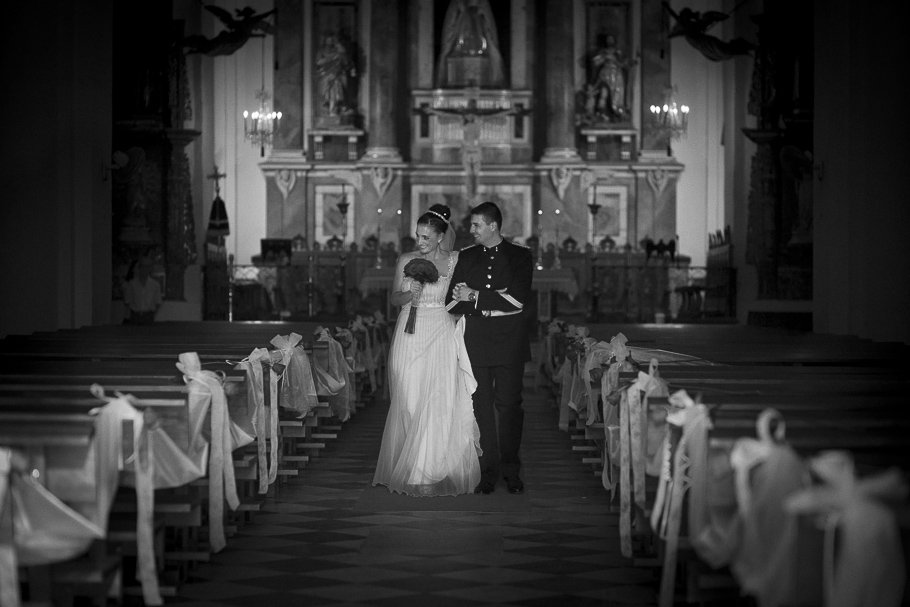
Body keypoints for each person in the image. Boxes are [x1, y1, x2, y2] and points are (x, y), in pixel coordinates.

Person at [373, 204, 481, 496]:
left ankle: (430, 468)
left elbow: (463, 296)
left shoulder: (456, 260)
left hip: (441, 331)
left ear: (441, 236)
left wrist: (460, 309)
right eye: (418, 236)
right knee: (409, 397)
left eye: (425, 237)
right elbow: (394, 299)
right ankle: (410, 462)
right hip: (410, 333)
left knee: (438, 399)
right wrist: (411, 293)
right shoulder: (406, 259)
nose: (419, 242)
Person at [446, 202, 533, 494]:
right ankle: (488, 470)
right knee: (481, 407)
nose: (471, 230)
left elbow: (518, 301)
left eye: (476, 225)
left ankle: (511, 470)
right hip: (477, 342)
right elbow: (451, 301)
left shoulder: (520, 256)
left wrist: (474, 296)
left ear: (493, 225)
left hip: (510, 343)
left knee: (509, 407)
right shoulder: (468, 257)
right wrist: (494, 298)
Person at [123, 255, 162, 324]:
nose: (145, 269)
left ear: (150, 268)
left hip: (148, 317)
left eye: (147, 267)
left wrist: (152, 315)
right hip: (135, 316)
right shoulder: (132, 284)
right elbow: (127, 302)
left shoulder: (155, 285)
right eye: (143, 266)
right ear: (139, 268)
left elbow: (158, 303)